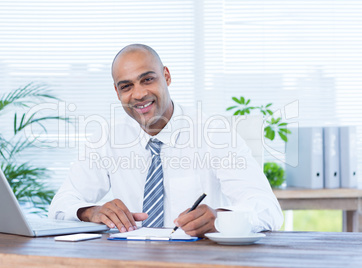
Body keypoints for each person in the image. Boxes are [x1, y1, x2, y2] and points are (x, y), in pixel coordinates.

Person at [49, 44, 283, 237]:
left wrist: (222, 219)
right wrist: (90, 212)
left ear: (167, 76)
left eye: (147, 79)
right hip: (128, 259)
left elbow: (267, 209)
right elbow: (61, 204)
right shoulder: (106, 139)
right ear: (117, 92)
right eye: (126, 86)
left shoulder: (215, 133)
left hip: (199, 260)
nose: (139, 94)